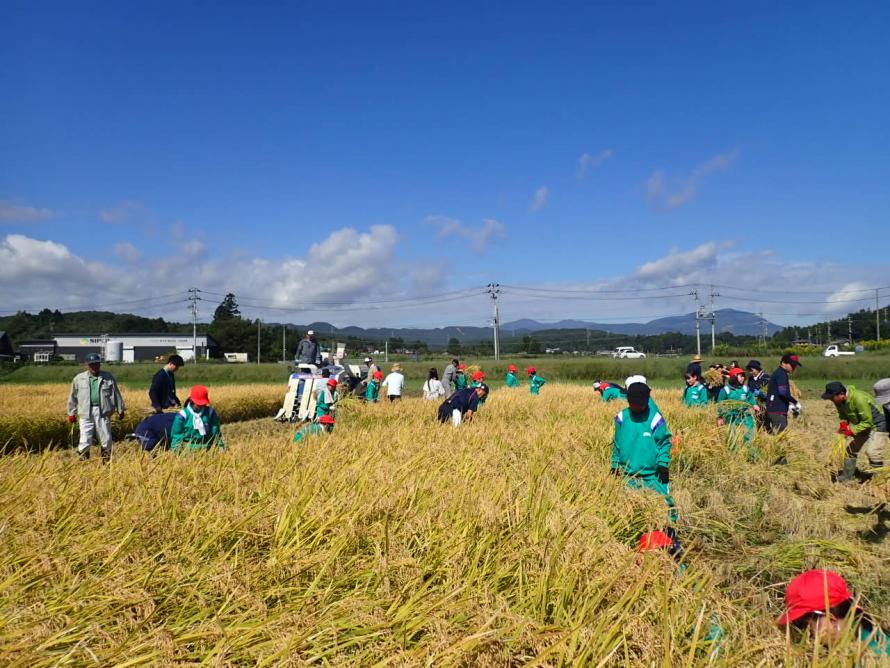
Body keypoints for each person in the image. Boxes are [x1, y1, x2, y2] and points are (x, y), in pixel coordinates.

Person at [777, 570, 889, 655]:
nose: (809, 637)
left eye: (804, 625)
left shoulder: (872, 659)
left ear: (831, 617)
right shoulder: (875, 637)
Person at [610, 382, 676, 521]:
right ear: (628, 401)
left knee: (666, 505)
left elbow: (664, 442)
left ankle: (671, 533)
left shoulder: (655, 418)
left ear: (647, 401)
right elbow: (617, 443)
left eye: (641, 404)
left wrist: (663, 463)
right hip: (629, 476)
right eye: (634, 404)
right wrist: (614, 464)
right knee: (631, 511)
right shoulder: (621, 418)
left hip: (653, 475)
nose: (637, 407)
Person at [66, 352, 126, 462]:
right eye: (92, 364)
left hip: (103, 412)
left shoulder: (108, 377)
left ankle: (106, 462)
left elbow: (116, 394)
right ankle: (83, 463)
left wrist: (120, 409)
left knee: (106, 439)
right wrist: (71, 413)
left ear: (99, 364)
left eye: (97, 364)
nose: (94, 367)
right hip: (85, 412)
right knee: (85, 439)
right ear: (87, 365)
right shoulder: (78, 379)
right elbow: (73, 397)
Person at [821, 381, 886, 481]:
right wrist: (843, 424)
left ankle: (879, 480)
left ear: (841, 394)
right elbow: (842, 415)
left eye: (831, 397)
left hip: (878, 424)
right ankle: (847, 477)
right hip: (862, 424)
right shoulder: (839, 401)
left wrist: (851, 431)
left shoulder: (859, 399)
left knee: (872, 452)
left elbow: (867, 421)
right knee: (850, 450)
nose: (831, 400)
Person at [171, 385, 223, 451]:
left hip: (207, 450)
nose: (201, 406)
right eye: (199, 404)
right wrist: (176, 453)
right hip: (187, 451)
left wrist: (220, 447)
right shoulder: (182, 416)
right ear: (191, 400)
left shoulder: (210, 413)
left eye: (203, 404)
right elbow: (176, 437)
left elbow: (216, 434)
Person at [716, 367, 758, 449]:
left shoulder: (745, 388)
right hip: (731, 416)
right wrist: (720, 417)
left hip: (745, 415)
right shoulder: (726, 390)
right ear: (734, 377)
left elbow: (750, 398)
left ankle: (752, 455)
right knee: (732, 436)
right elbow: (720, 404)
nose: (743, 378)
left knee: (750, 434)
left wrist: (754, 404)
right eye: (740, 376)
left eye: (743, 376)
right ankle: (734, 455)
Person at [765, 354, 802, 433]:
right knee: (782, 437)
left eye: (795, 365)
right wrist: (795, 402)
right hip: (777, 411)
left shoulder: (778, 373)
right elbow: (783, 393)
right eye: (791, 364)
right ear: (783, 363)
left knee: (774, 436)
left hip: (773, 409)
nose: (793, 367)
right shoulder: (781, 374)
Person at [745, 360, 770, 429]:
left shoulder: (766, 378)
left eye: (751, 370)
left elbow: (770, 393)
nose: (750, 372)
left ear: (756, 369)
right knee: (758, 423)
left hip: (765, 404)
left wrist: (761, 394)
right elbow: (749, 389)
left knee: (766, 424)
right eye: (748, 370)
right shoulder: (750, 378)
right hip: (755, 404)